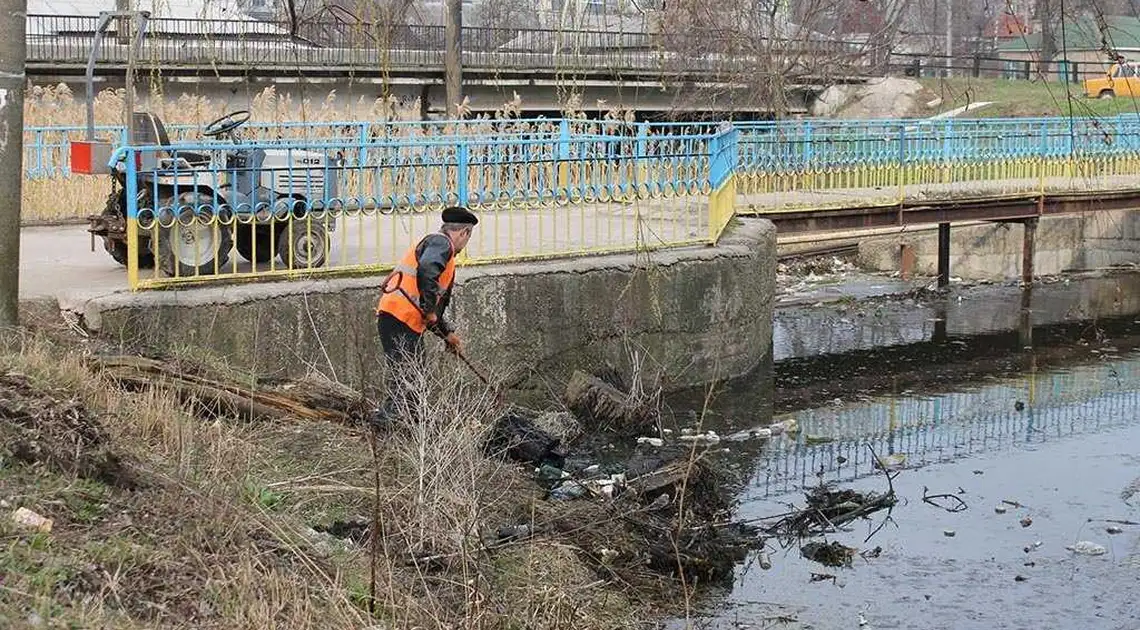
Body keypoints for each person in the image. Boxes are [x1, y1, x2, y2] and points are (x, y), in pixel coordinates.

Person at [370, 206, 478, 428]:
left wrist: (447, 334)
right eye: (468, 237)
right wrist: (429, 310)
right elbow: (427, 273)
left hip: (401, 318)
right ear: (463, 233)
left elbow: (432, 312)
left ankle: (413, 427)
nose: (465, 244)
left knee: (414, 375)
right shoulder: (441, 244)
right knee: (407, 375)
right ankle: (384, 426)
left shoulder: (440, 250)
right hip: (399, 317)